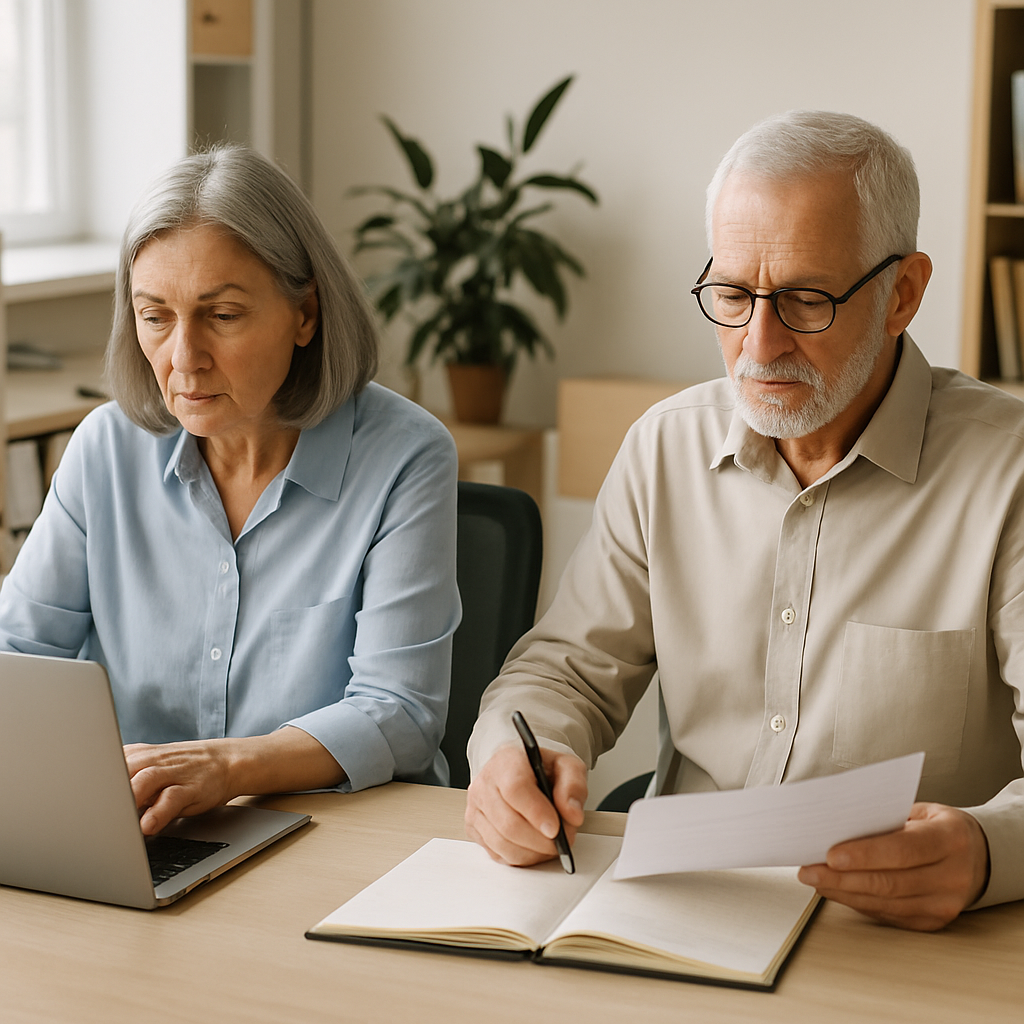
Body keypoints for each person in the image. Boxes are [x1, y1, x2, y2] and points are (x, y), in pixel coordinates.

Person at [465, 110, 1024, 932]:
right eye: (730, 295)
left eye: (806, 300)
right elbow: (562, 674)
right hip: (680, 912)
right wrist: (514, 756)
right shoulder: (665, 447)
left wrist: (988, 851)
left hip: (902, 936)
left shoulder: (1007, 473)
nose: (759, 345)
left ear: (901, 294)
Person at [0, 146, 460, 836]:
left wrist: (225, 768)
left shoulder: (406, 455)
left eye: (222, 316)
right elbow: (17, 654)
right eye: (155, 317)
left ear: (305, 314)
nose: (184, 360)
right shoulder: (105, 448)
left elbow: (400, 712)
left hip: (340, 833)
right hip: (146, 831)